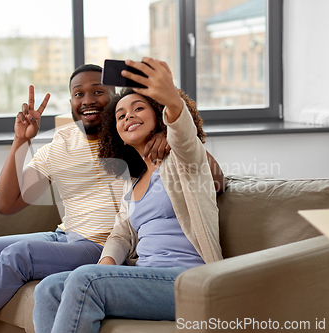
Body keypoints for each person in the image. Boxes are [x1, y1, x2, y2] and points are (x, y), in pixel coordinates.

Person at [0, 64, 173, 333]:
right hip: (66, 235)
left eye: (98, 91)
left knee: (20, 255)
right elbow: (5, 204)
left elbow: (187, 147)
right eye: (78, 94)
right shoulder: (62, 143)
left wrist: (165, 132)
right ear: (71, 102)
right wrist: (21, 140)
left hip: (102, 245)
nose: (88, 100)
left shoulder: (131, 136)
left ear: (114, 97)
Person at [32, 58, 223, 333]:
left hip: (189, 280)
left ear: (158, 116)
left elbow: (184, 135)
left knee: (85, 280)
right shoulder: (131, 182)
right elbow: (120, 235)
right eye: (120, 115)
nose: (128, 116)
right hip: (147, 276)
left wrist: (170, 98)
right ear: (117, 133)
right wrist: (105, 265)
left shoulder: (183, 163)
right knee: (48, 288)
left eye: (138, 109)